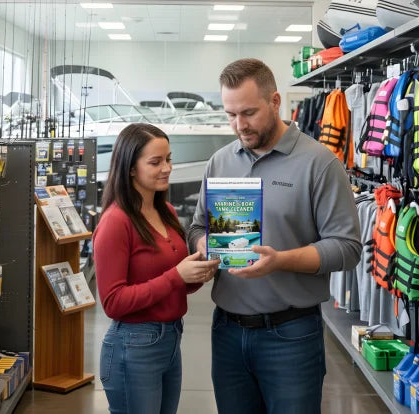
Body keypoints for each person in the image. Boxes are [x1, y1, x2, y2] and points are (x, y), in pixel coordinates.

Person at [187, 59, 362, 414]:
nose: (239, 125)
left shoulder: (320, 163)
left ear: (276, 101)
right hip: (227, 332)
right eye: (231, 114)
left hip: (291, 335)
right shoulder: (219, 162)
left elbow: (347, 248)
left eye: (248, 113)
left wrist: (280, 261)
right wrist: (203, 244)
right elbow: (196, 226)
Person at [93, 123, 220, 414]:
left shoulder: (167, 212)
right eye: (155, 162)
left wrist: (199, 272)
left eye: (169, 159)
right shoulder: (116, 222)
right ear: (130, 168)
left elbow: (176, 282)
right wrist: (176, 276)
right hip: (133, 346)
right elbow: (113, 302)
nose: (167, 168)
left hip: (171, 339)